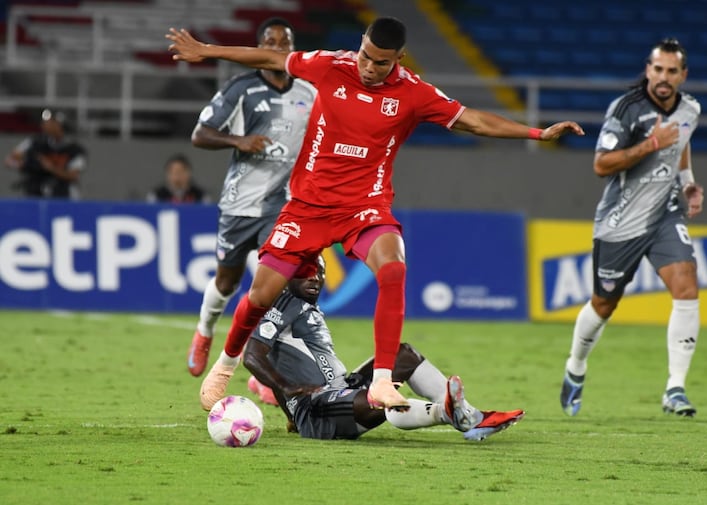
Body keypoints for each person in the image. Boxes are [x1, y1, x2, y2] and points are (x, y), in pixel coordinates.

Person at [166, 16, 584, 412]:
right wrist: (206, 49)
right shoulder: (331, 66)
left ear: (398, 60)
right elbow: (272, 59)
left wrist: (536, 132)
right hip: (308, 206)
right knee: (260, 295)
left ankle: (383, 378)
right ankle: (226, 362)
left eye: (380, 62)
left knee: (393, 268)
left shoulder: (414, 93)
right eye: (365, 55)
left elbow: (472, 120)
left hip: (364, 206)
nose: (368, 67)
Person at [559, 38, 704, 418]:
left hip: (665, 215)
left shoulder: (690, 109)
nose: (664, 77)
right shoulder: (625, 110)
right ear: (648, 70)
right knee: (604, 303)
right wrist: (651, 143)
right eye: (658, 69)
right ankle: (576, 365)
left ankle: (675, 388)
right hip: (621, 222)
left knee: (687, 286)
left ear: (682, 75)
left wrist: (688, 183)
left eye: (672, 71)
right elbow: (602, 164)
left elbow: (682, 146)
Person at [242, 256, 526, 441]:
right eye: (306, 274)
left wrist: (288, 409)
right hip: (316, 409)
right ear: (289, 277)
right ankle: (449, 413)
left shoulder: (307, 308)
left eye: (320, 273)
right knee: (379, 398)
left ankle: (467, 416)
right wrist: (289, 394)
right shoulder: (282, 303)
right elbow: (253, 354)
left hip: (339, 387)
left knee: (403, 354)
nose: (315, 278)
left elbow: (287, 359)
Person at [183, 17, 317, 383]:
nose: (277, 47)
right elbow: (200, 134)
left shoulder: (309, 91)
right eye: (270, 41)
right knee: (227, 281)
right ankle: (205, 330)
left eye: (284, 41)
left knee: (274, 285)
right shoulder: (241, 88)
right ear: (259, 48)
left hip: (284, 203)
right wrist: (238, 141)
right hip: (240, 202)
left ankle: (263, 368)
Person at [3, 108, 87, 199]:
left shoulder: (74, 149)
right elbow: (9, 160)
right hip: (35, 190)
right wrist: (23, 165)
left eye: (50, 122)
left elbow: (73, 175)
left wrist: (50, 168)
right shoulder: (35, 142)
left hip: (63, 193)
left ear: (59, 125)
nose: (44, 125)